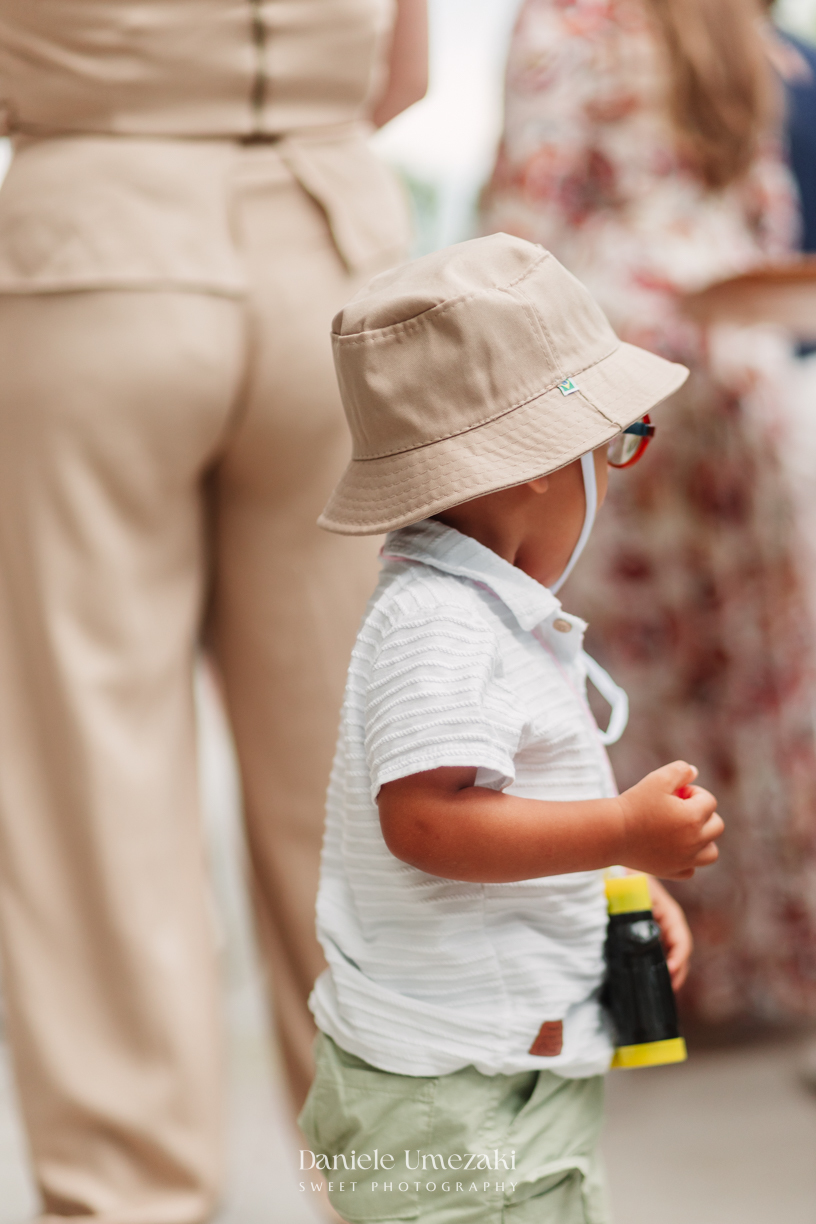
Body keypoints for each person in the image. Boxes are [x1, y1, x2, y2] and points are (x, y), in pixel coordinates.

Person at [0, 3, 427, 1223]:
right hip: (333, 266)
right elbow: (404, 75)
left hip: (91, 243)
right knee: (359, 774)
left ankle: (128, 1197)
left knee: (94, 779)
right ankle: (402, 1188)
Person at [298, 233, 722, 1224]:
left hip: (493, 1059)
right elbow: (429, 825)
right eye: (613, 446)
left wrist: (616, 882)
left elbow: (518, 799)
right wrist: (619, 829)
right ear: (535, 464)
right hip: (455, 1097)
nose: (612, 475)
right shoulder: (438, 625)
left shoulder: (478, 611)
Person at [481, 0, 816, 1029]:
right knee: (762, 689)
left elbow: (524, 234)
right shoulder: (732, 29)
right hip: (743, 368)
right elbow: (768, 216)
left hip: (616, 384)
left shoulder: (564, 26)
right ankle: (779, 973)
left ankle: (660, 981)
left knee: (633, 687)